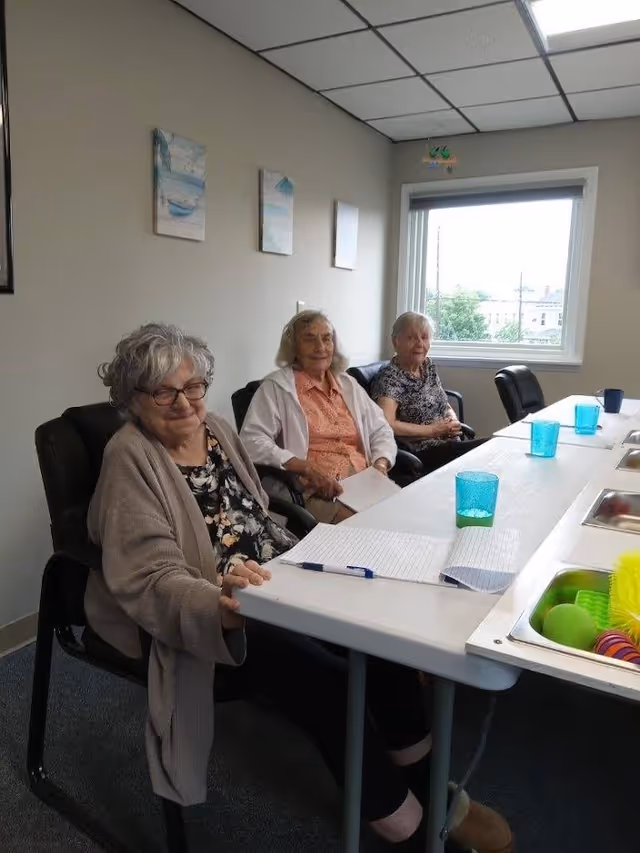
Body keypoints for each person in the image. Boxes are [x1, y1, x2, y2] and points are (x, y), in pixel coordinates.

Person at [86, 322, 511, 853]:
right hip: (221, 604)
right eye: (164, 391)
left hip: (283, 569)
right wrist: (217, 603)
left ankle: (429, 786)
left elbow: (259, 510)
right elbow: (148, 574)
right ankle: (406, 826)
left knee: (385, 639)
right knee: (326, 682)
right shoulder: (129, 456)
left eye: (193, 386)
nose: (184, 402)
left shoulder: (215, 427)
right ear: (132, 399)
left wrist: (310, 547)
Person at [240, 311, 397, 524]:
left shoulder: (347, 384)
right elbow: (251, 442)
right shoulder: (275, 389)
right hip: (314, 491)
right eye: (309, 338)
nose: (320, 347)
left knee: (403, 517)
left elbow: (381, 428)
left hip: (364, 483)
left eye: (326, 338)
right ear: (294, 348)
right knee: (369, 528)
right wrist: (304, 467)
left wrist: (380, 464)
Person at [372, 312, 487, 474]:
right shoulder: (390, 376)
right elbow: (387, 423)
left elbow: (443, 403)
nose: (420, 344)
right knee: (488, 448)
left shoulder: (427, 366)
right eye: (411, 338)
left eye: (424, 337)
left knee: (488, 453)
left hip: (448, 442)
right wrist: (434, 430)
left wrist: (452, 421)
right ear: (396, 342)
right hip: (423, 450)